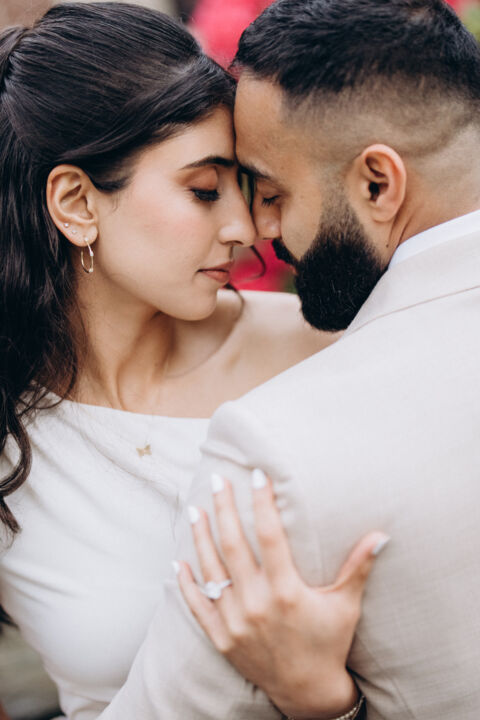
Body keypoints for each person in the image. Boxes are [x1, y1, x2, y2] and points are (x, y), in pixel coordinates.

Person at [93, 0, 480, 718]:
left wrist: (325, 705)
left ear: (378, 183)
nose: (259, 229)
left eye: (271, 192)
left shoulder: (273, 450)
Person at [0, 4, 383, 719]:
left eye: (244, 186)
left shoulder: (325, 349)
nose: (244, 227)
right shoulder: (11, 432)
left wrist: (323, 700)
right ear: (76, 202)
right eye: (204, 190)